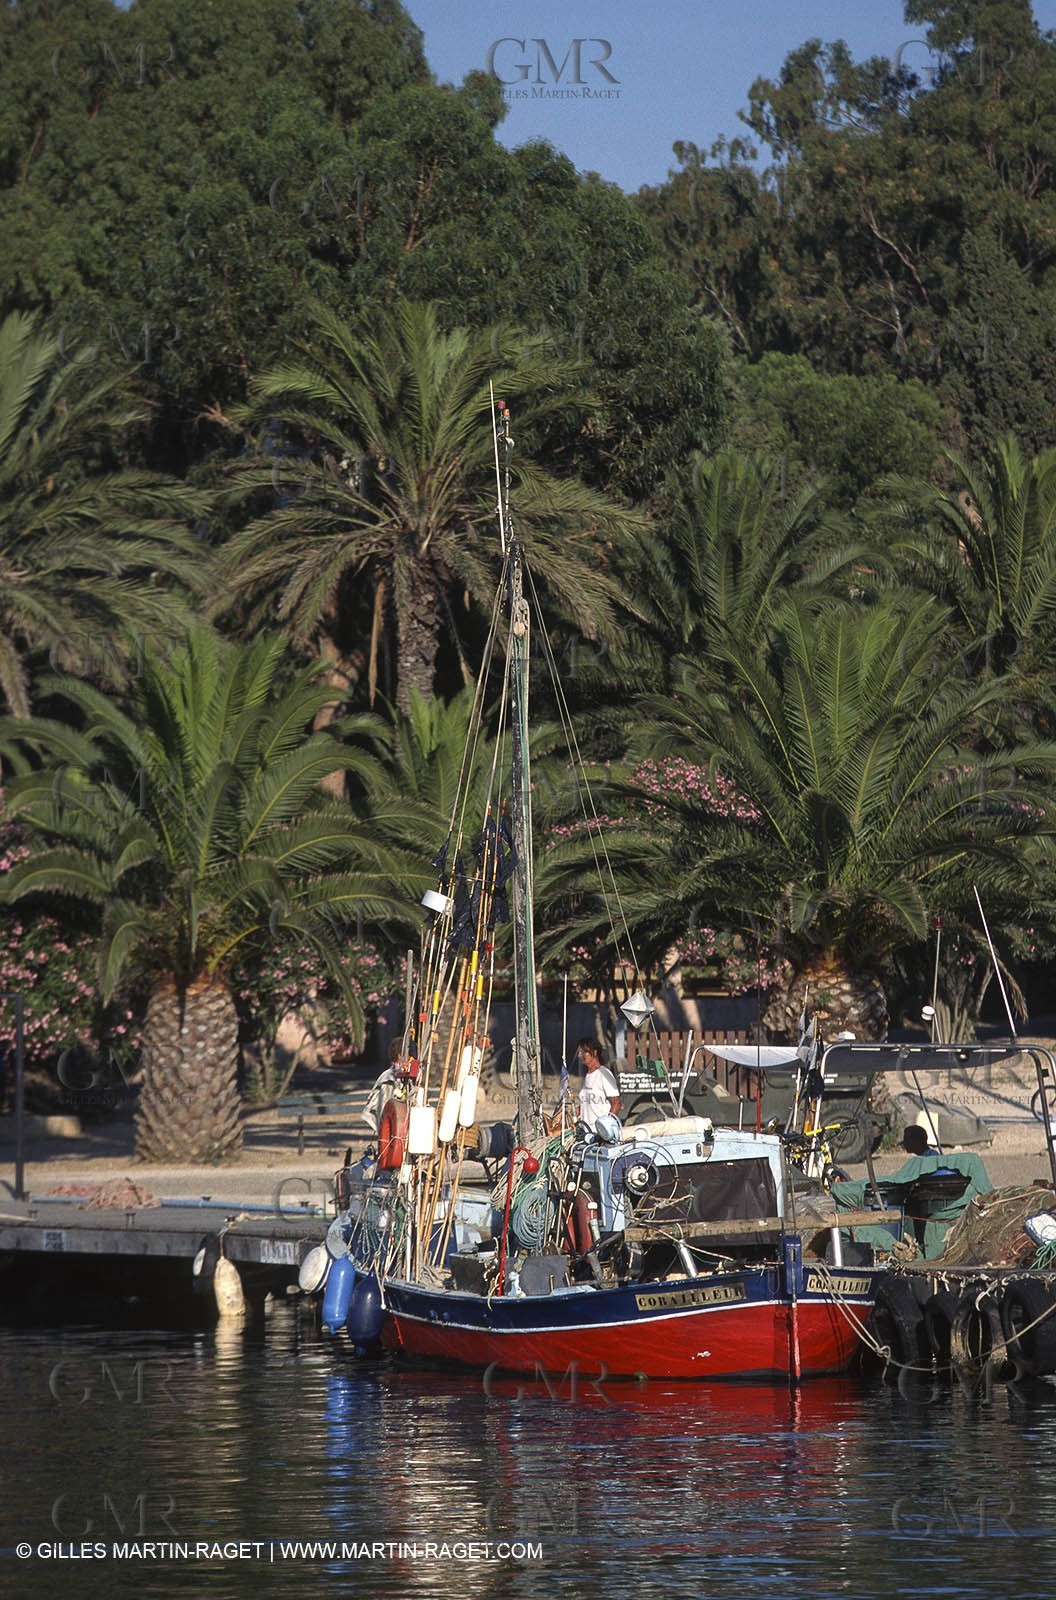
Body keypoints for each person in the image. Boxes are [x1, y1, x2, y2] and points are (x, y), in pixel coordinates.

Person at [576, 1037, 621, 1131]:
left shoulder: (605, 1073)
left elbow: (616, 1103)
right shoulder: (588, 1076)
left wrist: (606, 1127)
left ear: (595, 1052)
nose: (579, 1055)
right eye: (579, 1052)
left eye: (583, 1052)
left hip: (600, 1134)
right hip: (588, 1133)